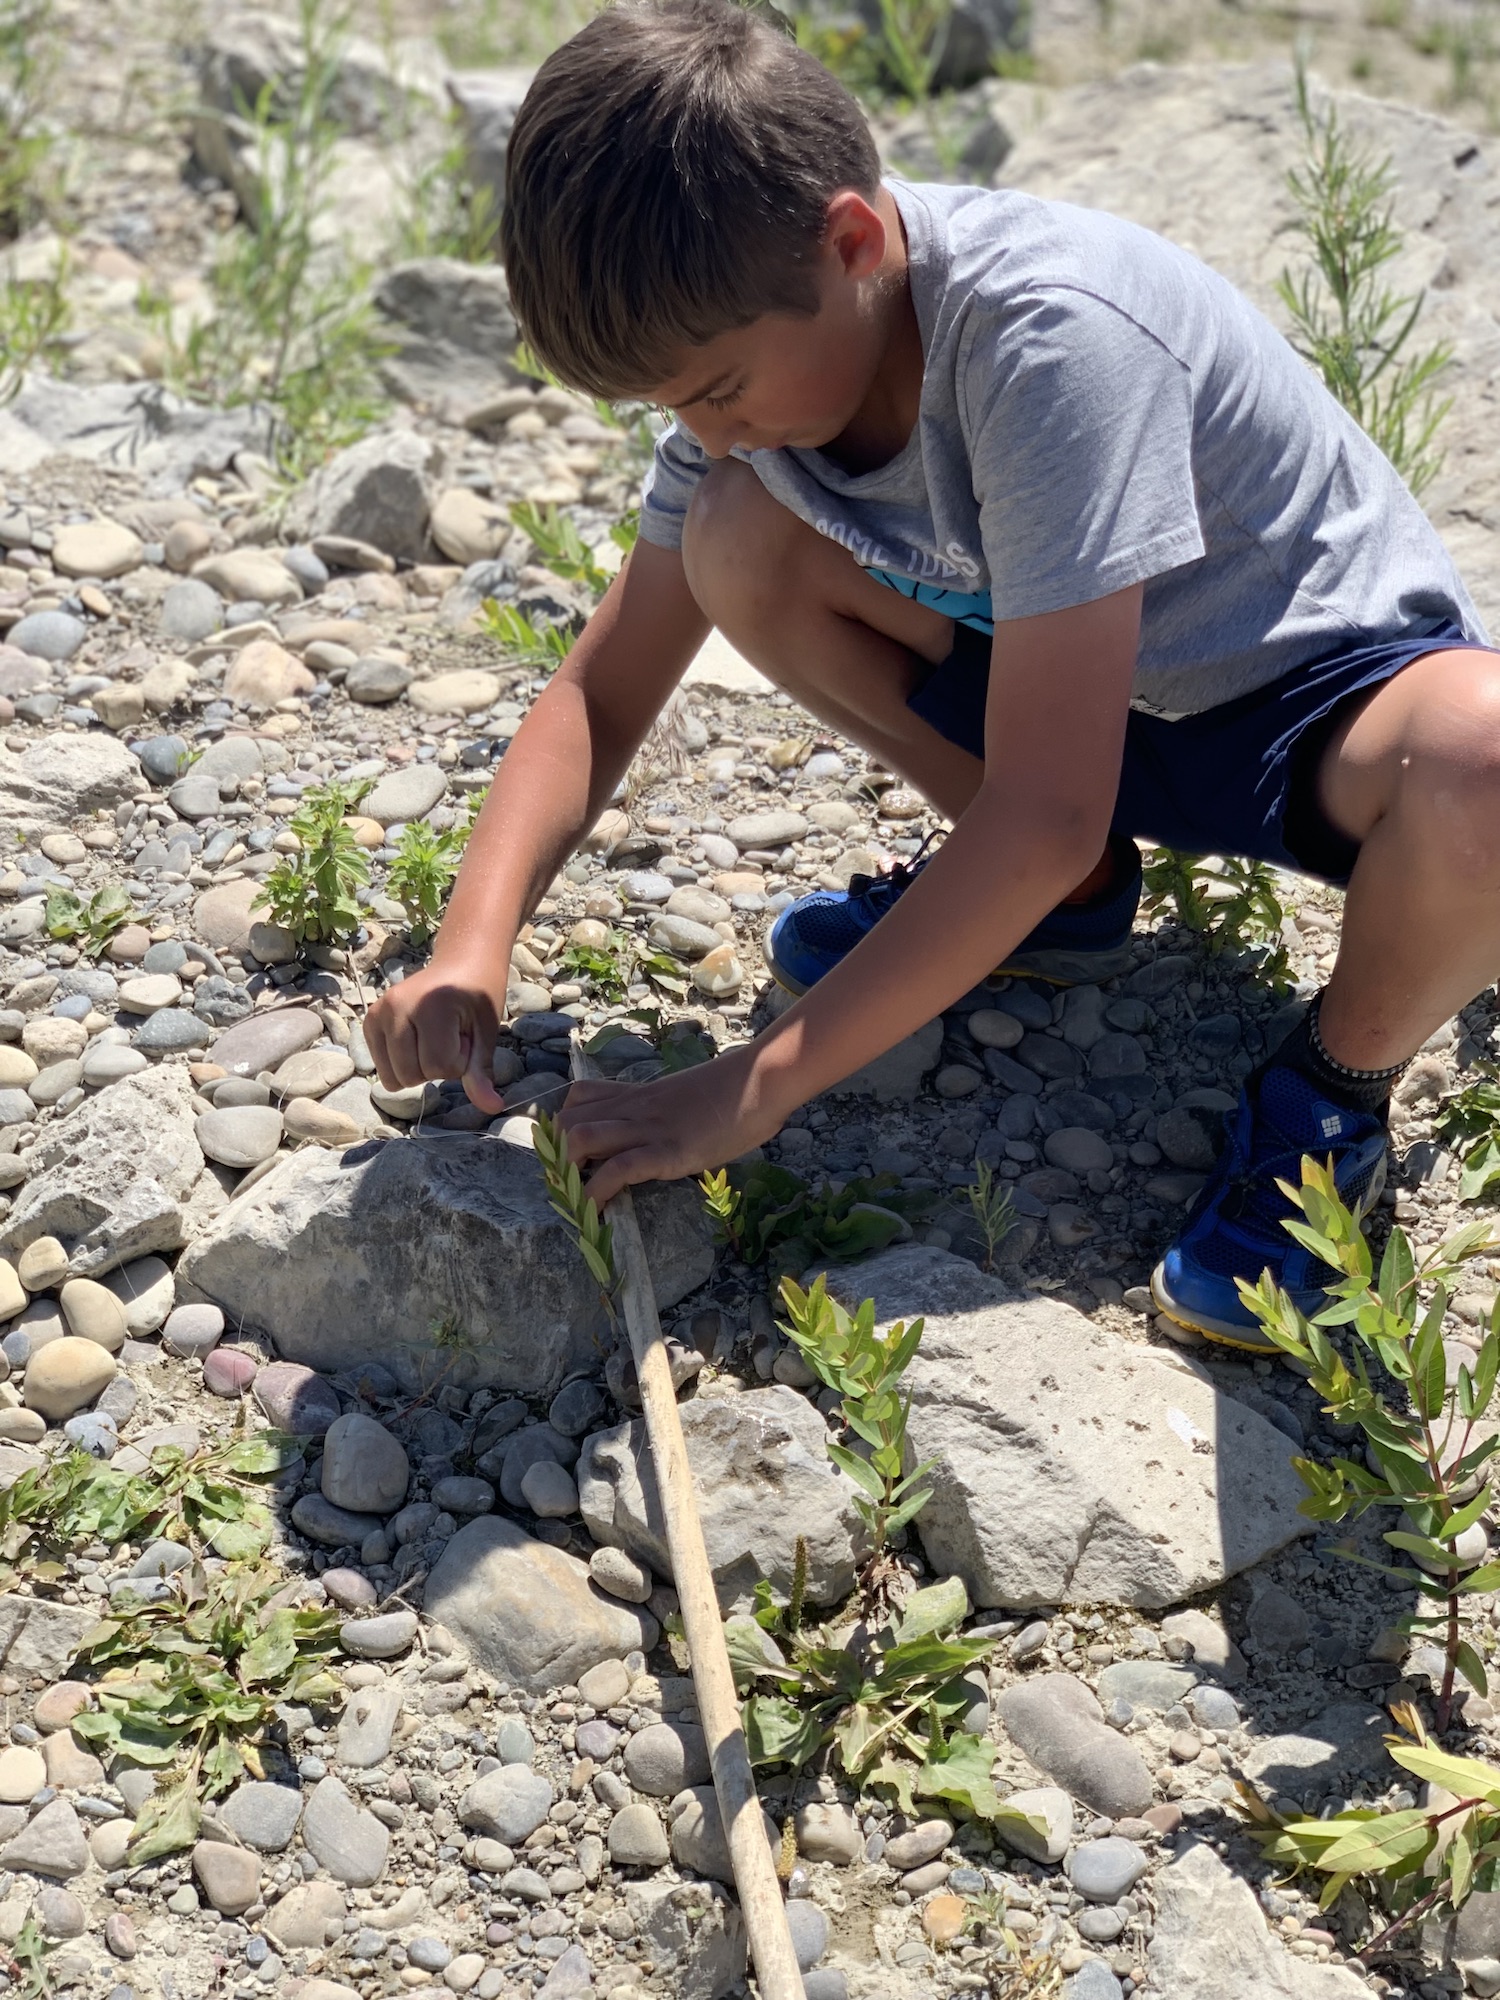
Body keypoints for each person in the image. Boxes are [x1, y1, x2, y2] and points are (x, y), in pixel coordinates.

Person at [365, 0, 1500, 1353]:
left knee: (1486, 759)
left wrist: (748, 1089)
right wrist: (471, 943)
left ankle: (1331, 1091)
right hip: (1065, 707)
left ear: (852, 241)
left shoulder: (1051, 339)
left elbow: (1047, 806)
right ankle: (1060, 907)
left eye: (714, 391)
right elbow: (604, 691)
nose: (703, 433)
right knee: (737, 533)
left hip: (1305, 711)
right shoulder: (765, 365)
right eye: (670, 408)